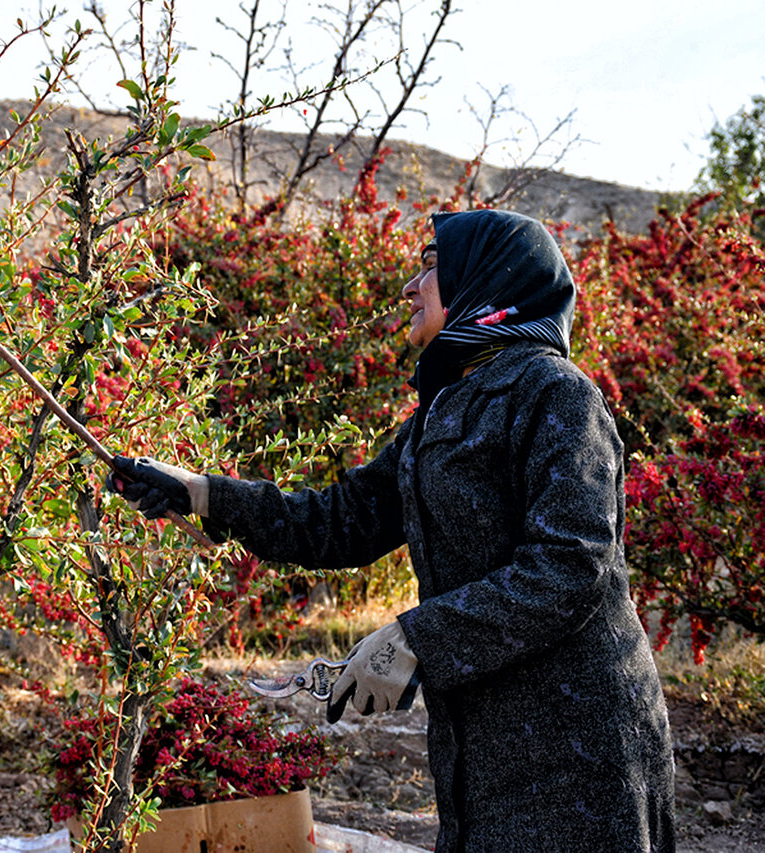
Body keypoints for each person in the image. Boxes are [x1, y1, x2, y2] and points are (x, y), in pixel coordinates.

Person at [109, 210, 676, 852]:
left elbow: (570, 569)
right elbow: (339, 521)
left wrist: (416, 639)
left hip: (575, 742)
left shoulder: (556, 394)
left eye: (433, 265)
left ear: (483, 281)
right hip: (481, 740)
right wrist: (202, 494)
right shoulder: (441, 409)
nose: (411, 285)